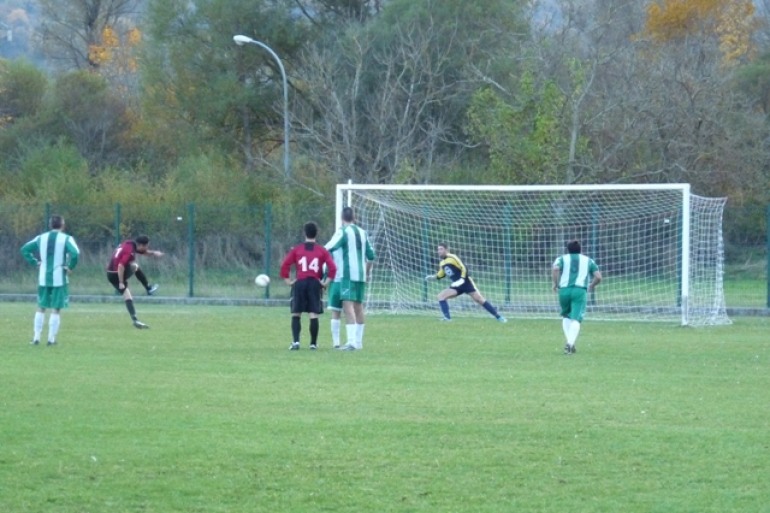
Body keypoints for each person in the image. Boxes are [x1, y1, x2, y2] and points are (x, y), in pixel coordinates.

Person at [20, 215, 80, 346]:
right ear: (62, 225)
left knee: (41, 307)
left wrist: (35, 262)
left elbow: (25, 249)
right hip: (59, 277)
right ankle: (51, 339)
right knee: (56, 308)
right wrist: (70, 267)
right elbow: (75, 253)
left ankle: (36, 338)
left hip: (43, 277)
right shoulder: (66, 238)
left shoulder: (41, 238)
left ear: (50, 225)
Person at [325, 207, 375, 351]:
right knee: (358, 307)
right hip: (360, 275)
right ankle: (358, 342)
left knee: (348, 306)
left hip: (347, 275)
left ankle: (351, 342)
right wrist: (366, 272)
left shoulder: (343, 232)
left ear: (342, 217)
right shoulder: (363, 232)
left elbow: (329, 247)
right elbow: (371, 256)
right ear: (354, 217)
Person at [280, 222, 337, 350]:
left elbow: (285, 265)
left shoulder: (297, 249)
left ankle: (296, 342)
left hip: (300, 282)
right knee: (313, 313)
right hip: (314, 283)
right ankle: (313, 344)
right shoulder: (322, 250)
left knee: (296, 313)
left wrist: (288, 281)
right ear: (316, 234)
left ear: (304, 233)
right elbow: (332, 268)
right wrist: (325, 282)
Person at [425, 242, 507, 323]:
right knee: (441, 296)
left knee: (479, 299)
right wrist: (433, 277)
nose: (439, 251)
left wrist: (462, 279)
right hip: (456, 285)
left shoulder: (453, 257)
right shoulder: (442, 262)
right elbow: (441, 274)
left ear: (447, 250)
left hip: (465, 282)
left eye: (441, 249)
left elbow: (464, 267)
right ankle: (447, 319)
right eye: (438, 249)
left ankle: (499, 317)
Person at [552, 239, 602, 354]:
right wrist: (591, 285)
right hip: (579, 291)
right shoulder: (588, 260)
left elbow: (555, 268)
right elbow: (598, 277)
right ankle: (569, 344)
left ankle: (570, 344)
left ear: (568, 250)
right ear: (581, 250)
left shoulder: (561, 258)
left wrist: (555, 283)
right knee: (576, 319)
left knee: (566, 316)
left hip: (564, 290)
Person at [106, 235, 163, 329]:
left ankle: (135, 320)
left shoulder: (129, 244)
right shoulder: (130, 252)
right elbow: (121, 266)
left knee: (127, 295)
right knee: (134, 266)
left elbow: (142, 251)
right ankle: (148, 288)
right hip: (117, 273)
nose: (147, 248)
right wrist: (121, 282)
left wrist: (153, 253)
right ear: (141, 245)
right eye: (146, 246)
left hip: (110, 274)